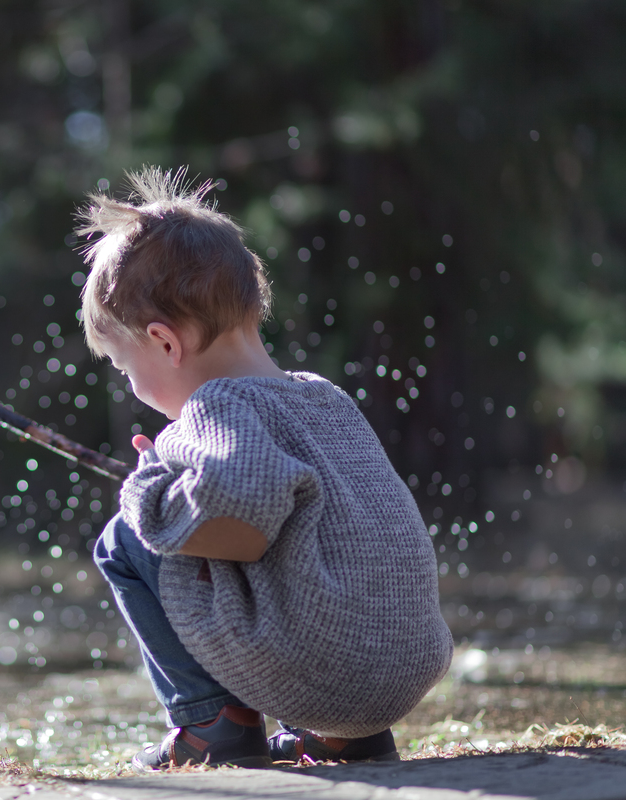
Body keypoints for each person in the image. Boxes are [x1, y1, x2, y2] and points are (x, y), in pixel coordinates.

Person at [77, 167, 452, 771]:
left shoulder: (219, 404)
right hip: (402, 669)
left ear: (166, 343)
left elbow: (238, 523)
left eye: (126, 368)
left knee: (124, 539)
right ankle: (341, 739)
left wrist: (150, 484)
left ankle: (212, 723)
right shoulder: (323, 397)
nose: (132, 386)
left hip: (320, 668)